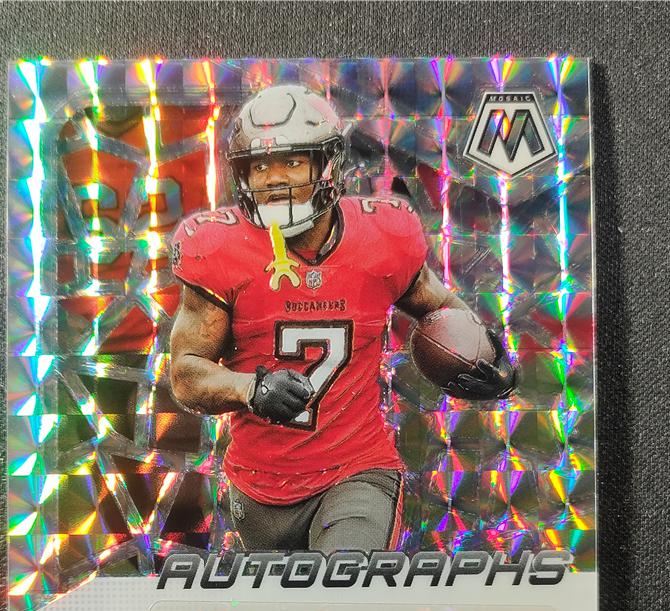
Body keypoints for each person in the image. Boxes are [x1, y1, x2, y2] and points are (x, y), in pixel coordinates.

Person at [169, 85, 517, 553]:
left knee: (345, 579)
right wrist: (251, 388)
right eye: (260, 166)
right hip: (258, 487)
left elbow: (438, 307)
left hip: (356, 470)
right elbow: (186, 372)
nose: (273, 179)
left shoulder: (382, 236)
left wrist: (487, 356)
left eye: (293, 162)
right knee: (287, 601)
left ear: (328, 166)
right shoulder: (218, 247)